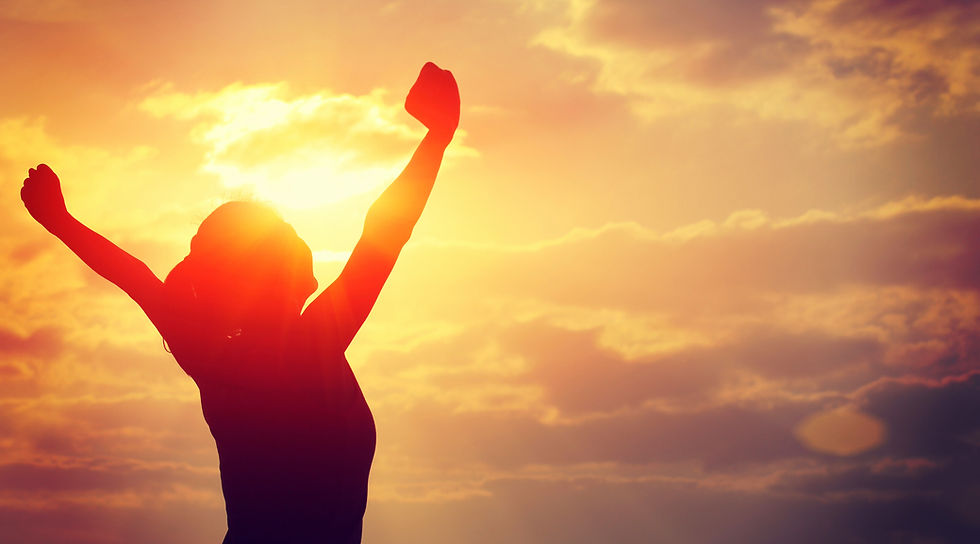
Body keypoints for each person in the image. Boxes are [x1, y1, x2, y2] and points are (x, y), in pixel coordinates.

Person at [19, 62, 460, 543]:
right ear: (281, 266)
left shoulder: (212, 354)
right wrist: (435, 139)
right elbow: (383, 236)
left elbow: (133, 276)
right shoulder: (311, 344)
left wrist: (61, 221)